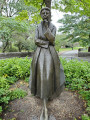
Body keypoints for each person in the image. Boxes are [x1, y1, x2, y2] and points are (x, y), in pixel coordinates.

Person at [29, 7, 65, 100]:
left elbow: (52, 40)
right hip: (40, 52)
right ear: (41, 15)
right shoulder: (37, 27)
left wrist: (46, 28)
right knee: (40, 72)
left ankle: (51, 92)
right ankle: (39, 92)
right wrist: (46, 43)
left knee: (50, 72)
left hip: (50, 52)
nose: (45, 14)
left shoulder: (53, 27)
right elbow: (36, 40)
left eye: (47, 13)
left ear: (49, 15)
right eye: (43, 13)